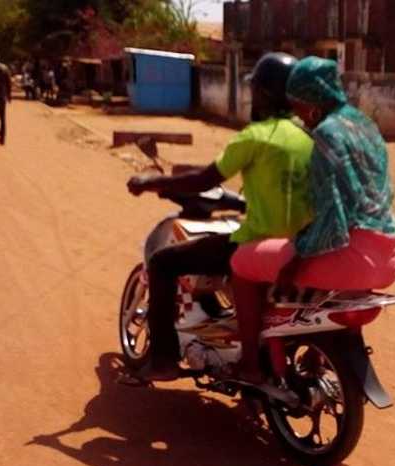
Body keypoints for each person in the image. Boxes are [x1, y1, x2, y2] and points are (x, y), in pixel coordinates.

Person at [119, 52, 314, 384]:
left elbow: (204, 179)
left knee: (163, 263)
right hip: (300, 245)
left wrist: (152, 183)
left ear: (263, 94)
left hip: (257, 243)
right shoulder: (309, 136)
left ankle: (164, 360)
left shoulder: (257, 136)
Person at [229, 56, 395, 383]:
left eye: (297, 107)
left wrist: (294, 262)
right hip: (388, 255)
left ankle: (250, 365)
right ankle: (316, 353)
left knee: (241, 262)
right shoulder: (364, 125)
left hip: (350, 256)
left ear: (311, 104)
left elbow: (332, 219)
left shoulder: (326, 133)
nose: (299, 117)